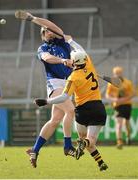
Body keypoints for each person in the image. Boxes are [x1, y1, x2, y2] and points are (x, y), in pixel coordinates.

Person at [35, 43, 108, 171]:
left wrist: (47, 101)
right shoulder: (90, 65)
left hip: (82, 111)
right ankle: (99, 161)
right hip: (98, 108)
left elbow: (64, 97)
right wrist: (72, 41)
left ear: (73, 62)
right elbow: (81, 50)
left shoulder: (72, 78)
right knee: (90, 140)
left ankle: (99, 161)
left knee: (85, 140)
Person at [16, 12, 76, 168]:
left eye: (49, 30)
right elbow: (47, 58)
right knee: (70, 111)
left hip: (68, 83)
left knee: (55, 121)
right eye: (45, 31)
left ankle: (34, 150)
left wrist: (34, 19)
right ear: (42, 35)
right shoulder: (42, 48)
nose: (48, 32)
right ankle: (67, 146)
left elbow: (52, 25)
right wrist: (63, 60)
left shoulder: (63, 42)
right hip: (54, 84)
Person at [105, 66, 135, 149]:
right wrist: (114, 99)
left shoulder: (128, 83)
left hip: (127, 104)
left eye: (119, 73)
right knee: (119, 123)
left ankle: (128, 136)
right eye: (116, 74)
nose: (117, 75)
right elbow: (107, 95)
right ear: (114, 74)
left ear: (121, 73)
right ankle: (119, 141)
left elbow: (133, 94)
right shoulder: (111, 83)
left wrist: (125, 99)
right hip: (117, 105)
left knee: (126, 123)